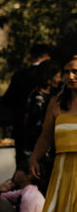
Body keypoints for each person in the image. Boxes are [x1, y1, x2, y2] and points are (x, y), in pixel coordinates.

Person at [27, 55, 77, 212]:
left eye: (75, 71)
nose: (70, 76)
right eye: (67, 72)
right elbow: (46, 135)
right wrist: (35, 158)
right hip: (62, 171)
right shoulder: (56, 103)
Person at [4, 43, 53, 166]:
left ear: (31, 57)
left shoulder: (19, 75)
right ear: (48, 58)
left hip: (21, 131)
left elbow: (7, 101)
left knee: (22, 169)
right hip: (44, 132)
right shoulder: (50, 77)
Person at [20, 60, 61, 189]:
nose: (60, 80)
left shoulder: (47, 96)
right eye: (58, 76)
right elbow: (37, 128)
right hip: (39, 152)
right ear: (49, 78)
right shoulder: (39, 99)